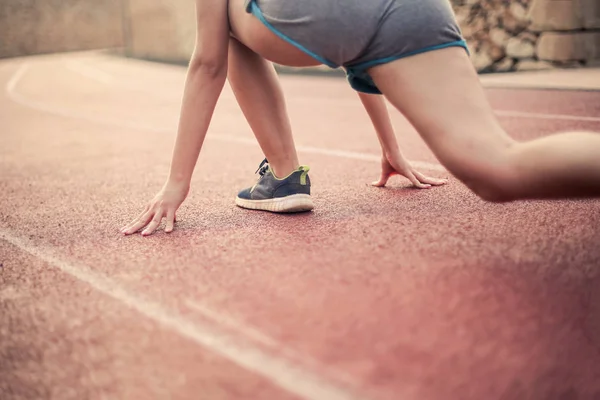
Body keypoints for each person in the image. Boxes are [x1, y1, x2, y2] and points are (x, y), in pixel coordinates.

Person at [121, 0, 600, 236]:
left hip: (317, 14)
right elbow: (361, 40)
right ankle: (286, 175)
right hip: (415, 8)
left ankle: (286, 175)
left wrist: (176, 183)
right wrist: (390, 144)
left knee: (222, 28)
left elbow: (208, 63)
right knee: (498, 167)